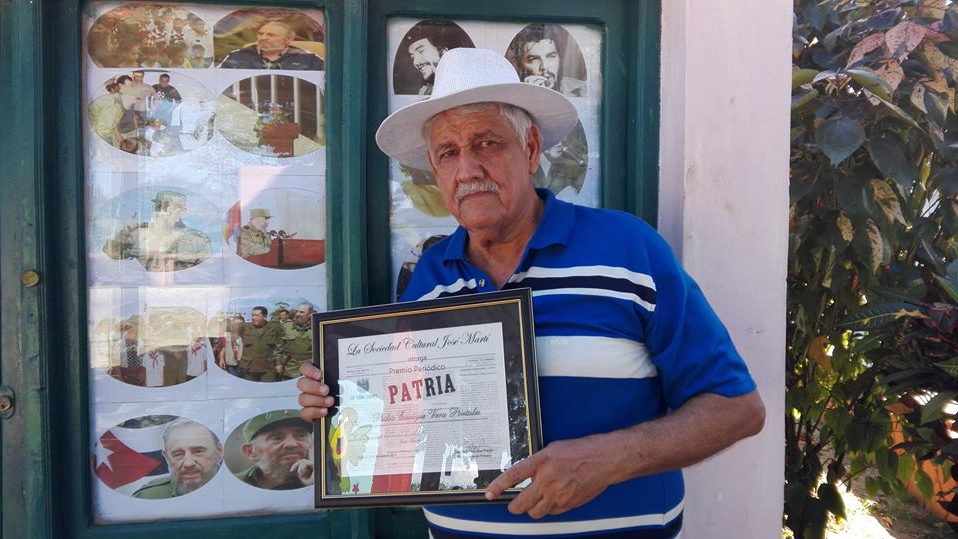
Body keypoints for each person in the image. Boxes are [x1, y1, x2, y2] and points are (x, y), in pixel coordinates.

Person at [299, 48, 765, 538]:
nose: (469, 169)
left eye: (487, 143)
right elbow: (408, 418)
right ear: (435, 173)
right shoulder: (429, 279)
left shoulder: (629, 250)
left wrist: (611, 459)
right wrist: (339, 404)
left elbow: (737, 408)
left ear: (531, 148)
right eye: (449, 153)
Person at [102, 190, 212, 272]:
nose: (162, 212)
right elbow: (111, 253)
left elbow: (207, 272)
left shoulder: (198, 240)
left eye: (170, 207)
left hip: (182, 291)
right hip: (142, 288)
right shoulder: (137, 234)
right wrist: (127, 230)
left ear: (183, 211)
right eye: (159, 207)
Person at [133, 418, 223, 499]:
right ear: (167, 457)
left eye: (198, 451)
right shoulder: (149, 497)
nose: (188, 463)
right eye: (178, 454)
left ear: (219, 451)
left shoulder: (234, 487)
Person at [236, 410, 313, 490]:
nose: (291, 444)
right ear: (251, 451)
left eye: (301, 435)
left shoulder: (324, 477)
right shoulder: (234, 485)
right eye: (277, 438)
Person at [506, 24, 587, 98]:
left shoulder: (582, 90)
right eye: (534, 59)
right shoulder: (510, 95)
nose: (544, 66)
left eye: (551, 56)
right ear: (517, 65)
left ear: (559, 58)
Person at [396, 21, 473, 95]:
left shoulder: (465, 85)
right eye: (412, 56)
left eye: (421, 51)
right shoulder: (427, 90)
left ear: (443, 50)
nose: (415, 62)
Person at [219, 20, 324, 70]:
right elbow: (220, 81)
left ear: (287, 40)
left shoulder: (309, 59)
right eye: (261, 34)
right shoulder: (237, 56)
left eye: (271, 35)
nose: (263, 38)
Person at [239, 306, 282, 382]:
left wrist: (278, 363)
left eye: (257, 315)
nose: (253, 317)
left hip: (268, 368)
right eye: (252, 315)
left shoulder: (273, 328)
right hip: (249, 367)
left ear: (265, 317)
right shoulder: (244, 327)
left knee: (267, 391)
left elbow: (277, 347)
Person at [275, 302, 314, 381]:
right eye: (297, 311)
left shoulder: (317, 327)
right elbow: (278, 348)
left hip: (310, 368)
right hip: (290, 368)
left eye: (302, 312)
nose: (297, 314)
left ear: (310, 314)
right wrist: (278, 363)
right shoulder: (286, 327)